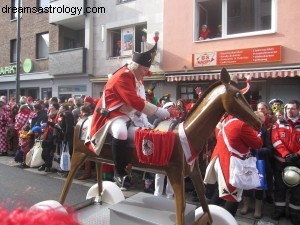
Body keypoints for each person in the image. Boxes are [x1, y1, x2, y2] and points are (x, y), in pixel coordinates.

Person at [85, 34, 171, 190]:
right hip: (111, 114)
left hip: (127, 114)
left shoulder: (136, 77)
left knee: (142, 132)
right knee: (121, 132)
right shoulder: (123, 77)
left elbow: (140, 101)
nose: (146, 73)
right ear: (137, 67)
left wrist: (144, 119)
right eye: (145, 70)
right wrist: (157, 111)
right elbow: (134, 100)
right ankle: (119, 172)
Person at [204, 114, 262, 216]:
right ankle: (223, 220)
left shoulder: (224, 119)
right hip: (231, 164)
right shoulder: (242, 124)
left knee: (221, 191)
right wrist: (256, 132)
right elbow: (257, 143)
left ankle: (210, 217)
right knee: (232, 197)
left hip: (220, 159)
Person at [271, 99, 300, 225]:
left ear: (298, 110)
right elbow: (275, 140)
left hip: (298, 163)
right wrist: (286, 154)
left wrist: (297, 155)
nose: (289, 110)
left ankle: (294, 214)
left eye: (293, 108)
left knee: (298, 191)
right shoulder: (278, 123)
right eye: (288, 108)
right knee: (279, 189)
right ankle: (279, 211)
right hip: (281, 162)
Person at [240, 111, 273, 219]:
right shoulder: (247, 129)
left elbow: (269, 149)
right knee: (247, 184)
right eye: (254, 118)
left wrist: (256, 149)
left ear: (262, 120)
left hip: (260, 162)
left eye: (259, 118)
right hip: (248, 162)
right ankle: (246, 206)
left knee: (259, 186)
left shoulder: (265, 132)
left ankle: (258, 209)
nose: (256, 120)